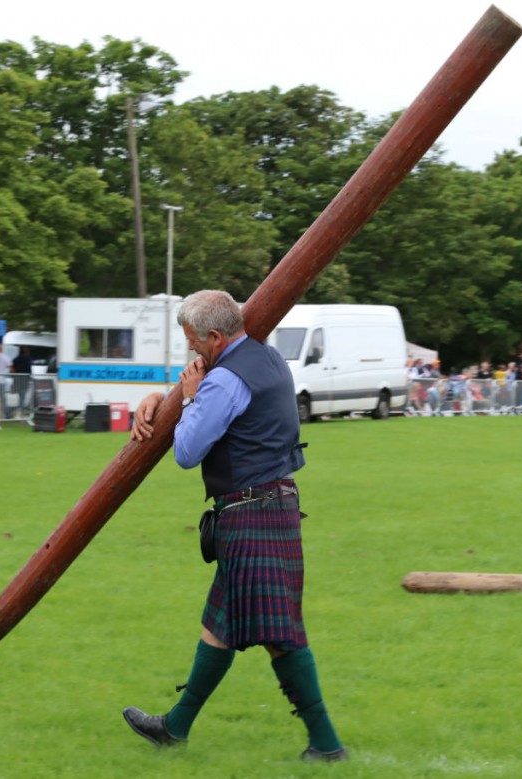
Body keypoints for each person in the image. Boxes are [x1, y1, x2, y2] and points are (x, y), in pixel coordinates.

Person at [125, 290, 346, 762]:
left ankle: (327, 746)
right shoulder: (266, 357)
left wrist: (188, 398)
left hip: (253, 512)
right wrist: (155, 398)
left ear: (217, 336)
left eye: (192, 341)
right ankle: (175, 727)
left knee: (281, 633)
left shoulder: (223, 381)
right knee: (220, 626)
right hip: (270, 506)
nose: (189, 350)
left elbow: (186, 452)